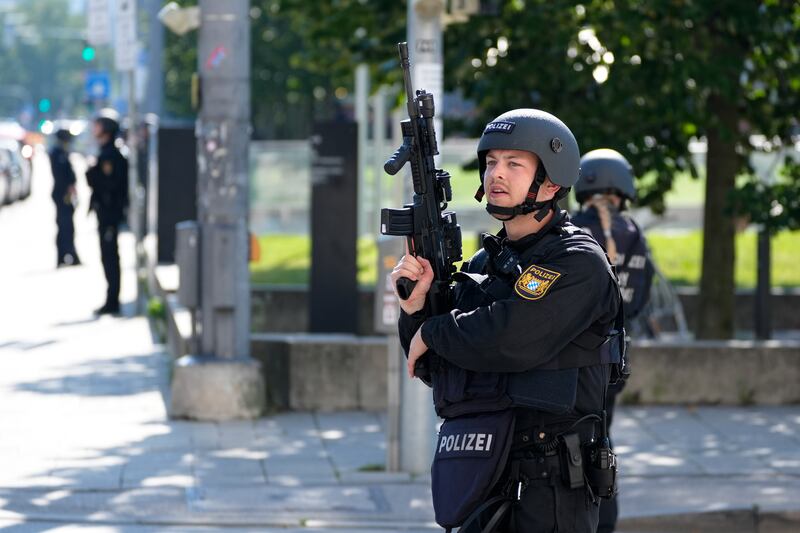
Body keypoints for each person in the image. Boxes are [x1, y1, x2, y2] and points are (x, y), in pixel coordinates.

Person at [392, 109, 624, 532]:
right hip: (482, 472)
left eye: (514, 163)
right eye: (491, 161)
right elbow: (431, 366)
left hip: (550, 488)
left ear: (552, 181)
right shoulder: (486, 263)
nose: (496, 174)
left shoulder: (577, 262)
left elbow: (512, 338)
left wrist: (434, 330)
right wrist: (416, 309)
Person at [571, 148, 654, 533]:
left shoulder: (571, 230)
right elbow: (640, 298)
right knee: (601, 440)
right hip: (614, 364)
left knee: (563, 446)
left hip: (571, 363)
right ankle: (605, 521)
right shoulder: (634, 234)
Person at [86, 110, 128, 315]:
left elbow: (107, 184)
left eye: (99, 125)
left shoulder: (110, 155)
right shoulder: (106, 152)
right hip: (106, 212)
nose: (95, 129)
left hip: (109, 213)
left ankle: (113, 301)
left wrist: (91, 172)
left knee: (110, 257)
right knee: (107, 256)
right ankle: (111, 299)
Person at [48, 129, 81, 267]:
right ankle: (66, 254)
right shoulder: (57, 154)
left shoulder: (62, 152)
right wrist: (69, 188)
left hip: (65, 194)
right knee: (65, 225)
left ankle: (67, 255)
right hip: (62, 195)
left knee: (67, 225)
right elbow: (62, 176)